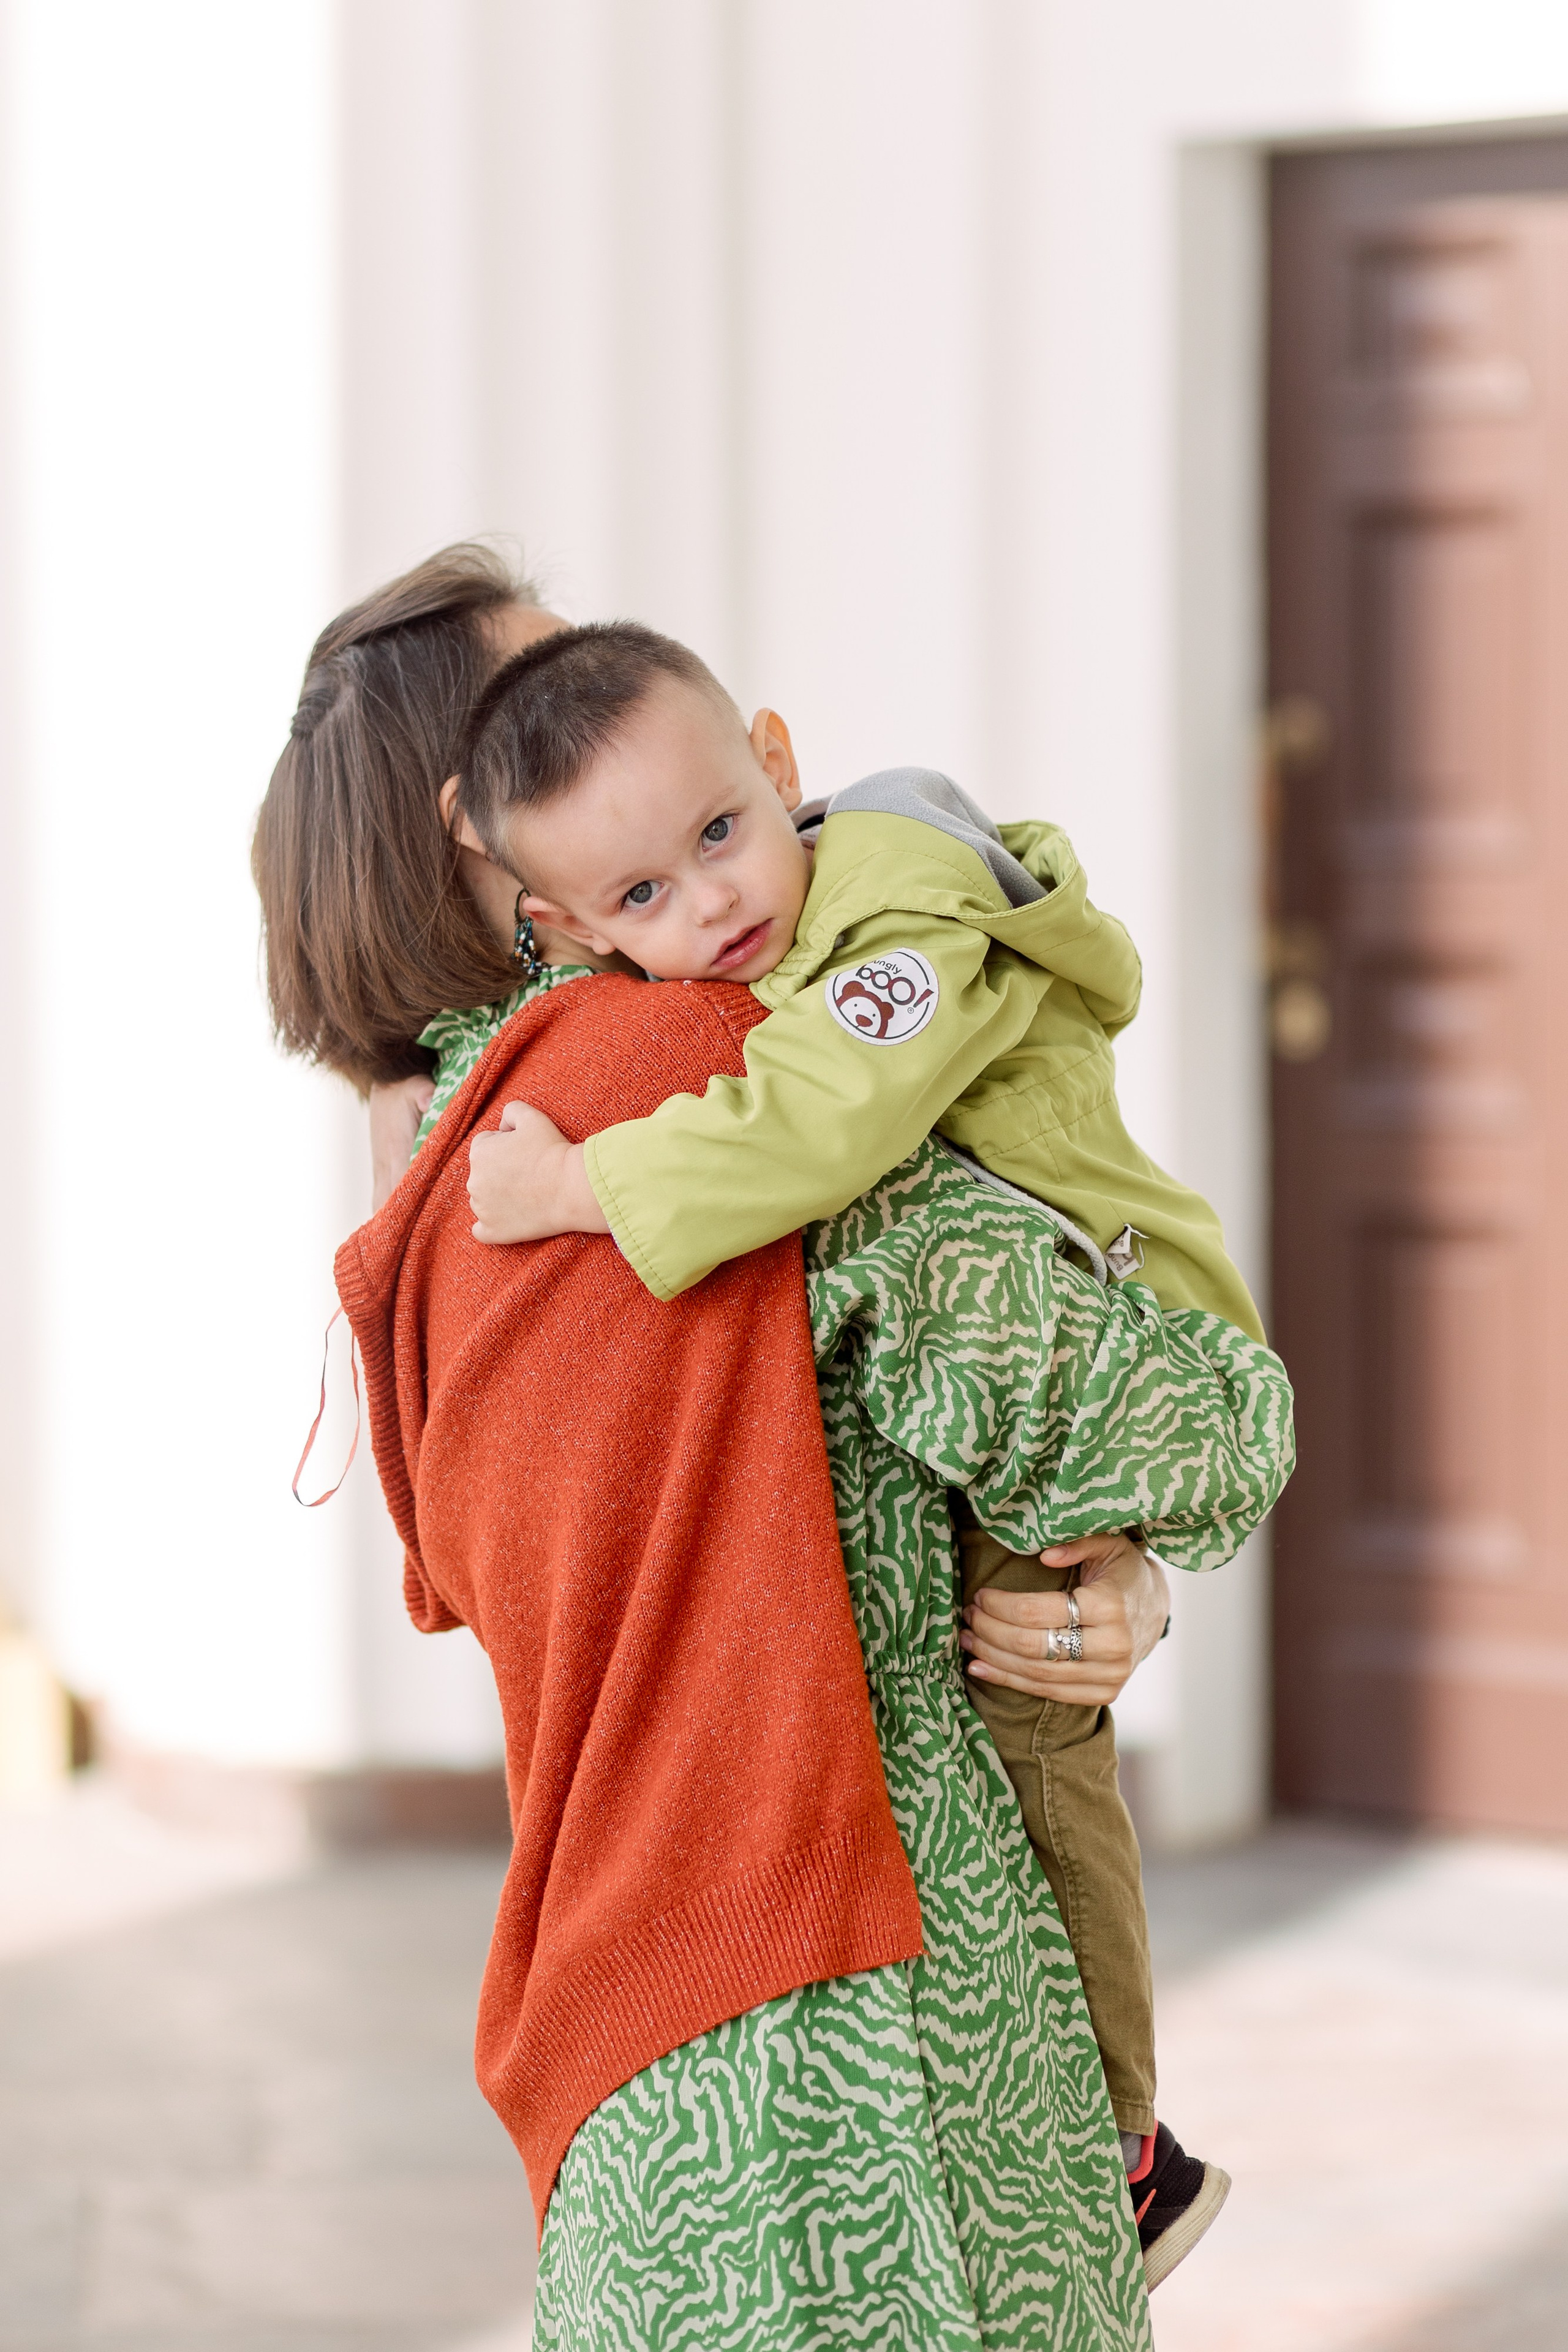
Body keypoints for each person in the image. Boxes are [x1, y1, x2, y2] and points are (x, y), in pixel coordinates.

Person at [252, 545, 1278, 2341]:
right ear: (498, 854)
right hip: (885, 2051)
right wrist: (1145, 1540)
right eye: (543, 707)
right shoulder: (709, 1077)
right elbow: (1165, 1435)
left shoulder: (423, 1216)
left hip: (626, 2086)